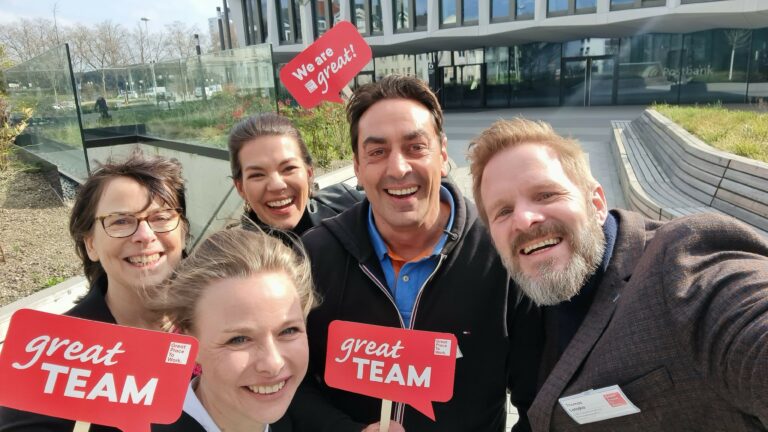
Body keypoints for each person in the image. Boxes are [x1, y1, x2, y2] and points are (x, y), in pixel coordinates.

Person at [468, 118, 768, 431]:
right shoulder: (533, 299)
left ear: (596, 203)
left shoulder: (680, 262)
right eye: (503, 212)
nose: (525, 219)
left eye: (546, 195)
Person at [288, 75, 541, 431]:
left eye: (415, 147)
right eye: (377, 152)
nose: (398, 168)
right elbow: (287, 381)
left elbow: (539, 400)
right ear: (357, 168)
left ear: (442, 154)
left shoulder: (501, 254)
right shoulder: (315, 255)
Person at [0, 150, 188, 431]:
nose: (145, 235)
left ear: (183, 231)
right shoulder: (47, 354)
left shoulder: (221, 325)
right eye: (121, 221)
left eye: (161, 217)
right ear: (90, 244)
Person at [148, 228, 316, 432]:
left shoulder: (292, 420)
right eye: (239, 339)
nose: (273, 364)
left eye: (288, 331)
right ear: (186, 341)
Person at [228, 113, 363, 240]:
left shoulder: (350, 206)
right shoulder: (235, 258)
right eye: (257, 175)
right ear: (240, 188)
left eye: (289, 168)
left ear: (309, 173)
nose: (277, 185)